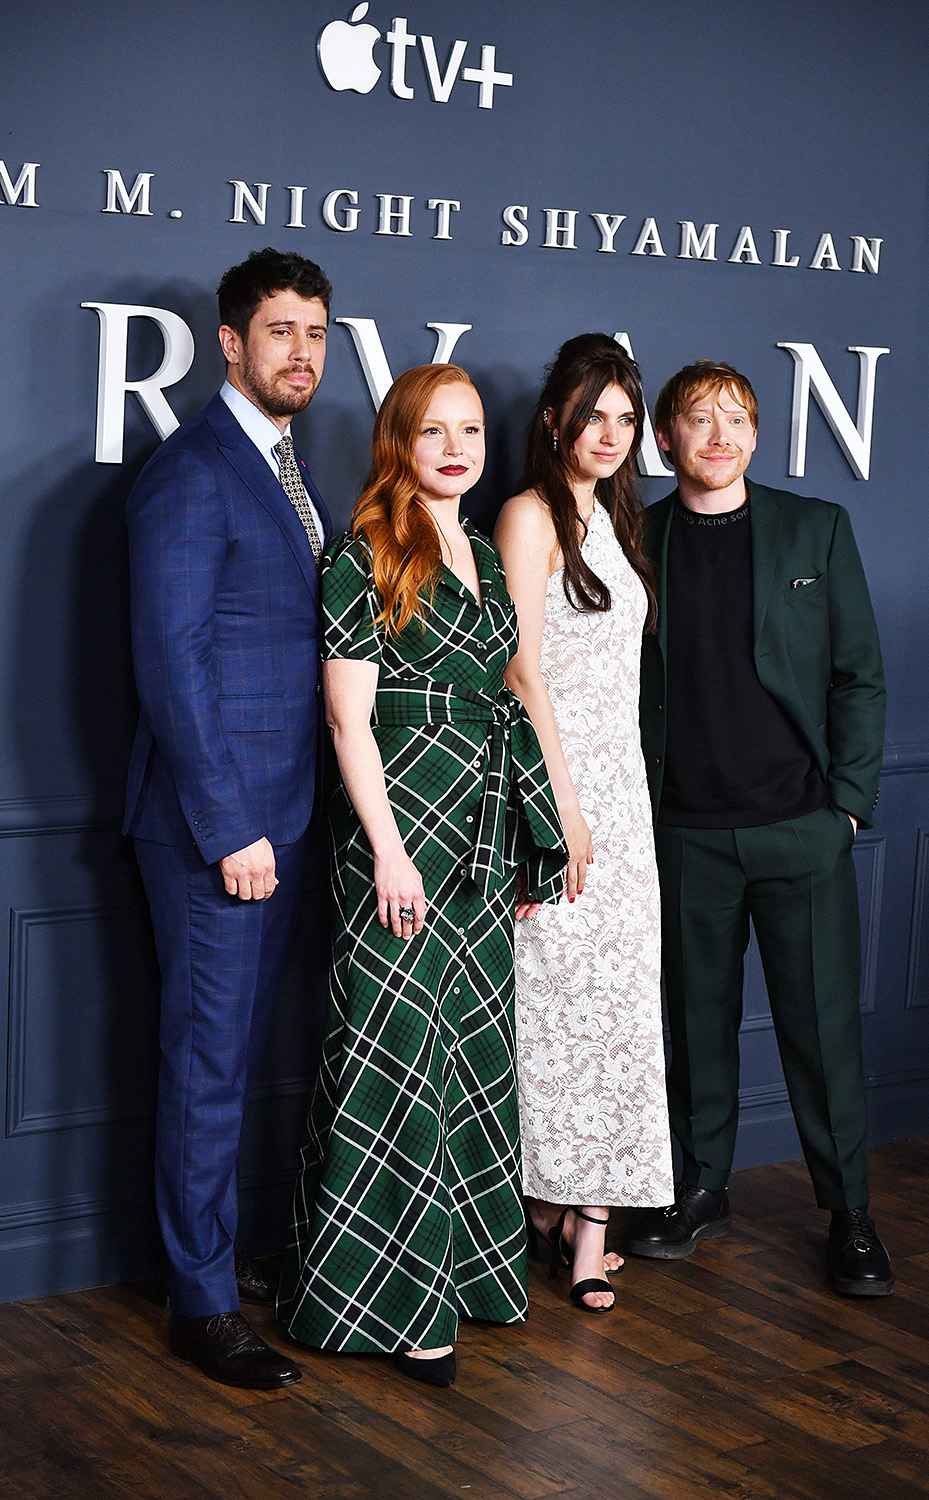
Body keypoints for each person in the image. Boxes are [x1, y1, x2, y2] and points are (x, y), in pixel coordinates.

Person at [277, 363, 565, 1388]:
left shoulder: (483, 550)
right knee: (392, 1053)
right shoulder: (366, 553)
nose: (456, 448)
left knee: (472, 1054)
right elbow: (347, 718)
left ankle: (468, 1275)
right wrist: (387, 848)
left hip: (480, 833)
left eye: (472, 432)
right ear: (401, 439)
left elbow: (507, 701)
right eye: (434, 431)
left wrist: (537, 832)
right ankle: (391, 1305)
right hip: (398, 826)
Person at [628, 359, 894, 1297]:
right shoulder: (635, 540)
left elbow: (859, 674)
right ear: (666, 439)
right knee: (693, 1029)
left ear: (757, 433)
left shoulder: (816, 528)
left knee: (821, 1030)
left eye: (737, 419)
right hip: (685, 835)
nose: (719, 436)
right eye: (698, 421)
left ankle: (849, 1212)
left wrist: (847, 808)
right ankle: (701, 1189)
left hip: (798, 827)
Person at [124, 247, 334, 1387]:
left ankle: (198, 1255)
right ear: (230, 345)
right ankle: (199, 1303)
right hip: (223, 831)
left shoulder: (286, 465)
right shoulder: (195, 470)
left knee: (241, 1059)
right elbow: (174, 664)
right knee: (207, 1064)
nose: (299, 352)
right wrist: (229, 827)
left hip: (285, 818)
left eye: (314, 333)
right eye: (280, 332)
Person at [494, 334, 673, 1314]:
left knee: (618, 1016)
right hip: (553, 790)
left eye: (624, 418)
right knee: (550, 1012)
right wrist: (560, 804)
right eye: (592, 414)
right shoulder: (529, 514)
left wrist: (603, 802)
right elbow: (519, 667)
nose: (609, 433)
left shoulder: (617, 518)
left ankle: (592, 1227)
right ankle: (543, 1197)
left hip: (626, 797)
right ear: (555, 418)